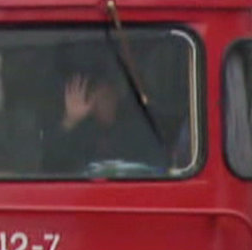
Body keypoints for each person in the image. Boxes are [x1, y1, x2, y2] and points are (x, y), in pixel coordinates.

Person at [43, 68, 174, 174]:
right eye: (96, 99)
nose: (104, 104)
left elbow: (158, 165)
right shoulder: (80, 132)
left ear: (116, 95)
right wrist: (70, 121)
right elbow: (51, 165)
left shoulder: (138, 128)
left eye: (106, 97)